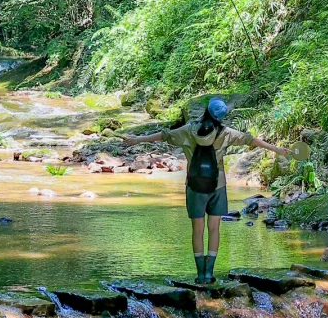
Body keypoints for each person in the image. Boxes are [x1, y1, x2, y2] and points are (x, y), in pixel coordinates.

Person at [122, 97, 296, 285]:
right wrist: (277, 149)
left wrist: (137, 140)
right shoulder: (225, 133)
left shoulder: (189, 130)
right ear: (221, 117)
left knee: (197, 230)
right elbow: (250, 140)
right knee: (214, 229)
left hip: (194, 186)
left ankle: (200, 274)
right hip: (217, 185)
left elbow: (165, 135)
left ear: (206, 110)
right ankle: (209, 273)